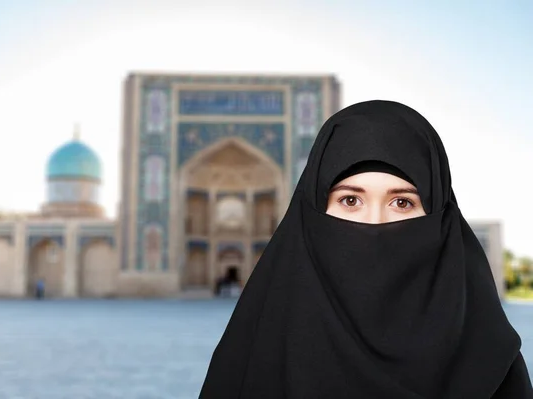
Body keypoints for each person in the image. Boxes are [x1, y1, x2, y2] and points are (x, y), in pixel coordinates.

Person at [199, 100, 533, 398]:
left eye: (402, 202)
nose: (375, 223)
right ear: (313, 211)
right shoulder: (260, 353)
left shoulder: (488, 359)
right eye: (350, 200)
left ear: (439, 217)